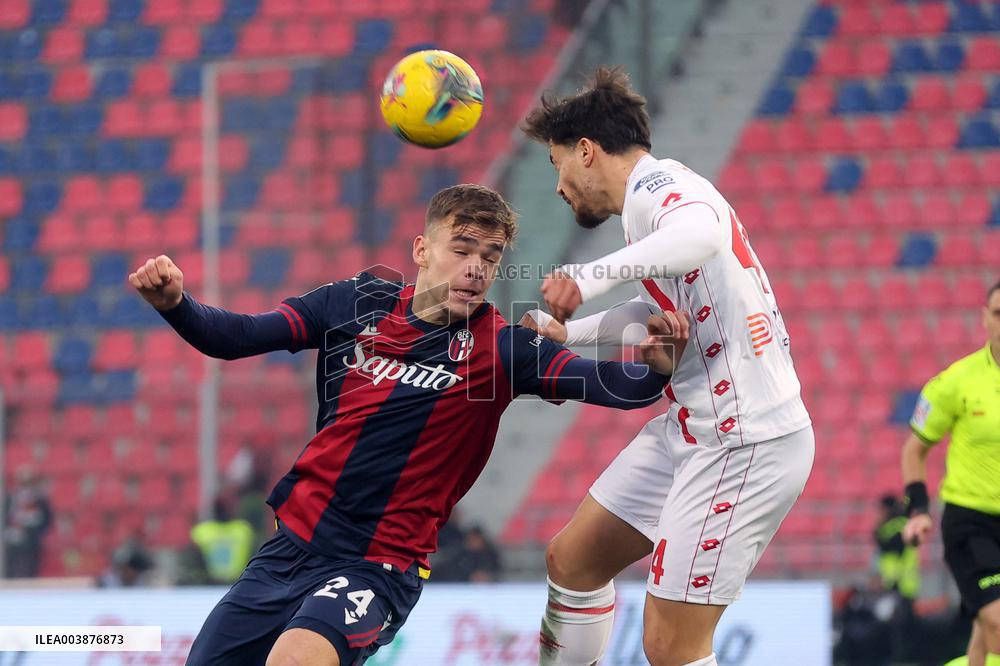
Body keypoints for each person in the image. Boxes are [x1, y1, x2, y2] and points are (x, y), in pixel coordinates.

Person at [129, 183, 689, 666]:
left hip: (379, 566)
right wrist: (177, 304)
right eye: (462, 248)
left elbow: (607, 386)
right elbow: (237, 337)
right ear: (422, 249)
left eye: (490, 257)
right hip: (290, 549)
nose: (475, 268)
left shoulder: (505, 350)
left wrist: (654, 368)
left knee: (297, 658)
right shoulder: (353, 304)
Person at [520, 67, 814, 666]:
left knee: (671, 646)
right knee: (573, 561)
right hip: (694, 428)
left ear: (585, 151)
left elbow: (701, 234)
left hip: (744, 442)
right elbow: (657, 306)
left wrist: (589, 274)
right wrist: (566, 333)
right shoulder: (647, 206)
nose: (558, 186)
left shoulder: (660, 192)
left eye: (556, 165)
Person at [902, 280, 1000, 666]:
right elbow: (914, 450)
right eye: (998, 314)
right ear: (985, 320)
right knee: (996, 620)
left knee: (985, 620)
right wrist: (919, 509)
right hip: (971, 521)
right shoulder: (956, 382)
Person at [2, 468, 52, 579]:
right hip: (13, 535)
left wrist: (36, 530)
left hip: (32, 537)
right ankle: (9, 580)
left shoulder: (40, 499)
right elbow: (4, 517)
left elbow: (47, 520)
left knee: (32, 558)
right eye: (23, 483)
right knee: (9, 551)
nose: (25, 486)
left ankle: (32, 580)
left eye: (28, 482)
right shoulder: (11, 498)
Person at [874, 495, 920, 600]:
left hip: (900, 582)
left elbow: (889, 547)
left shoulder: (900, 526)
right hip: (893, 582)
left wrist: (877, 530)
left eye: (881, 509)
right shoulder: (891, 526)